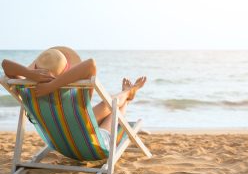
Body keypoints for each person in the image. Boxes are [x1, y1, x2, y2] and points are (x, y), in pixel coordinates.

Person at [1, 46, 146, 150]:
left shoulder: (29, 92)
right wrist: (52, 86)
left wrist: (31, 75)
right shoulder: (72, 95)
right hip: (91, 144)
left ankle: (127, 93)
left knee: (107, 105)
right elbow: (91, 64)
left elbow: (5, 65)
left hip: (59, 142)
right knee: (113, 106)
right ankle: (127, 94)